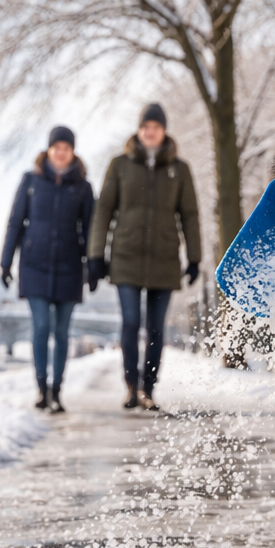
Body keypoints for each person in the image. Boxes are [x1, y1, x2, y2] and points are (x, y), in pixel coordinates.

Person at [88, 103, 201, 411]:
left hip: (164, 260)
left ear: (164, 131)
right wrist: (96, 255)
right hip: (125, 257)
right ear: (139, 130)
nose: (150, 131)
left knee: (155, 327)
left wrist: (194, 257)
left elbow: (189, 214)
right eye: (145, 126)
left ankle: (148, 390)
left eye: (156, 126)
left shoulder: (180, 168)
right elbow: (103, 212)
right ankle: (130, 387)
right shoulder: (120, 165)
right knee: (130, 321)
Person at [1, 126, 95, 413]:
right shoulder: (30, 181)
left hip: (69, 267)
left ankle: (57, 390)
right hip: (35, 265)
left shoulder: (83, 187)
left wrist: (93, 267)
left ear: (72, 152)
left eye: (66, 147)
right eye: (57, 147)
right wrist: (6, 261)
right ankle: (41, 388)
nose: (61, 152)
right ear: (49, 150)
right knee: (41, 326)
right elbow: (15, 222)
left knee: (62, 332)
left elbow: (92, 230)